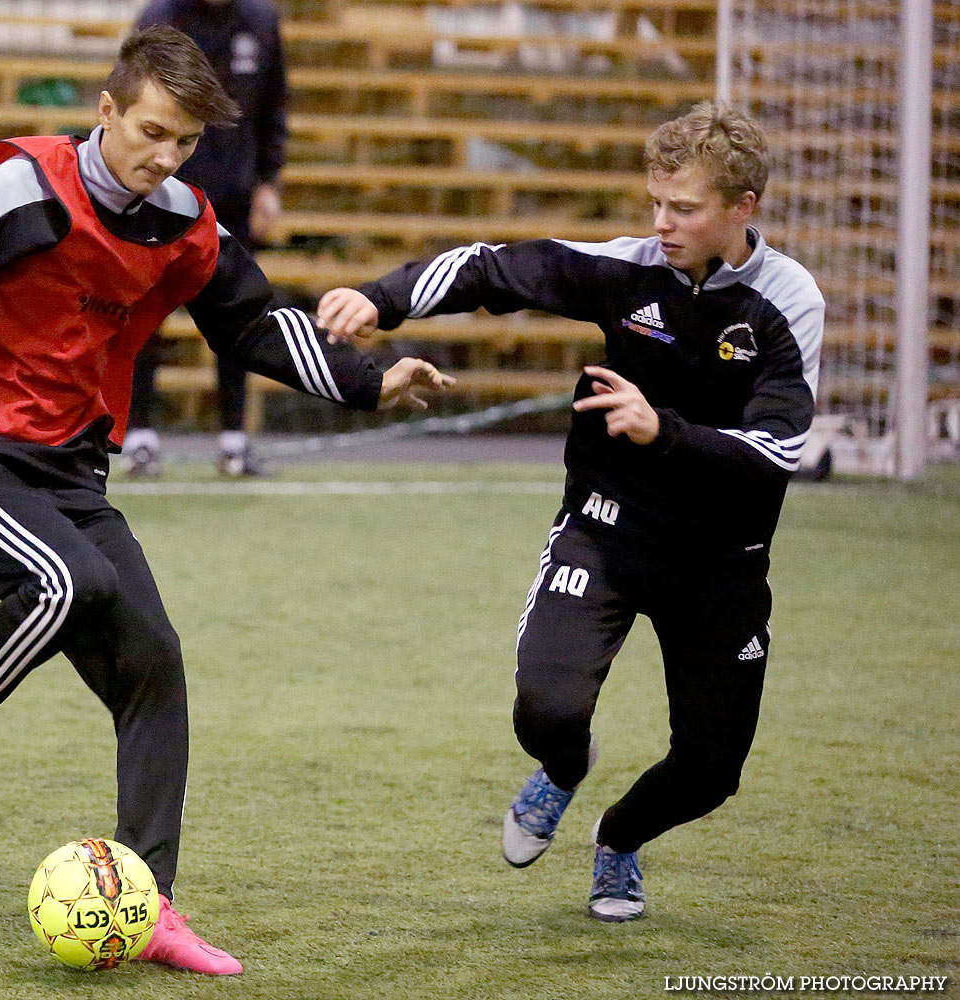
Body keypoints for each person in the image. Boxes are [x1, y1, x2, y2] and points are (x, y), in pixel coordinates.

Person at [0, 25, 452, 975]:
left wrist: (370, 382)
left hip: (72, 471)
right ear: (106, 109)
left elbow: (256, 325)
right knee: (69, 583)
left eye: (186, 142)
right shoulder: (24, 186)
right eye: (151, 131)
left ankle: (149, 903)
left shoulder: (187, 218)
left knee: (154, 662)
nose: (165, 157)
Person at [318, 101, 824, 923]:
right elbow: (490, 267)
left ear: (742, 208)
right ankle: (562, 767)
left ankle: (617, 840)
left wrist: (663, 431)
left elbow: (775, 452)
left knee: (708, 770)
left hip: (720, 563)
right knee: (545, 710)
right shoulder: (624, 270)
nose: (661, 224)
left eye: (685, 209)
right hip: (604, 526)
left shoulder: (786, 302)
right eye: (655, 203)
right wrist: (382, 299)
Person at [124, 0, 289, 477]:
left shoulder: (261, 21)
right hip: (160, 192)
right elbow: (131, 103)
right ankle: (137, 437)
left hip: (234, 199)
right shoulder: (160, 18)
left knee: (237, 315)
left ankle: (234, 441)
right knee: (144, 313)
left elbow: (274, 107)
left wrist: (268, 183)